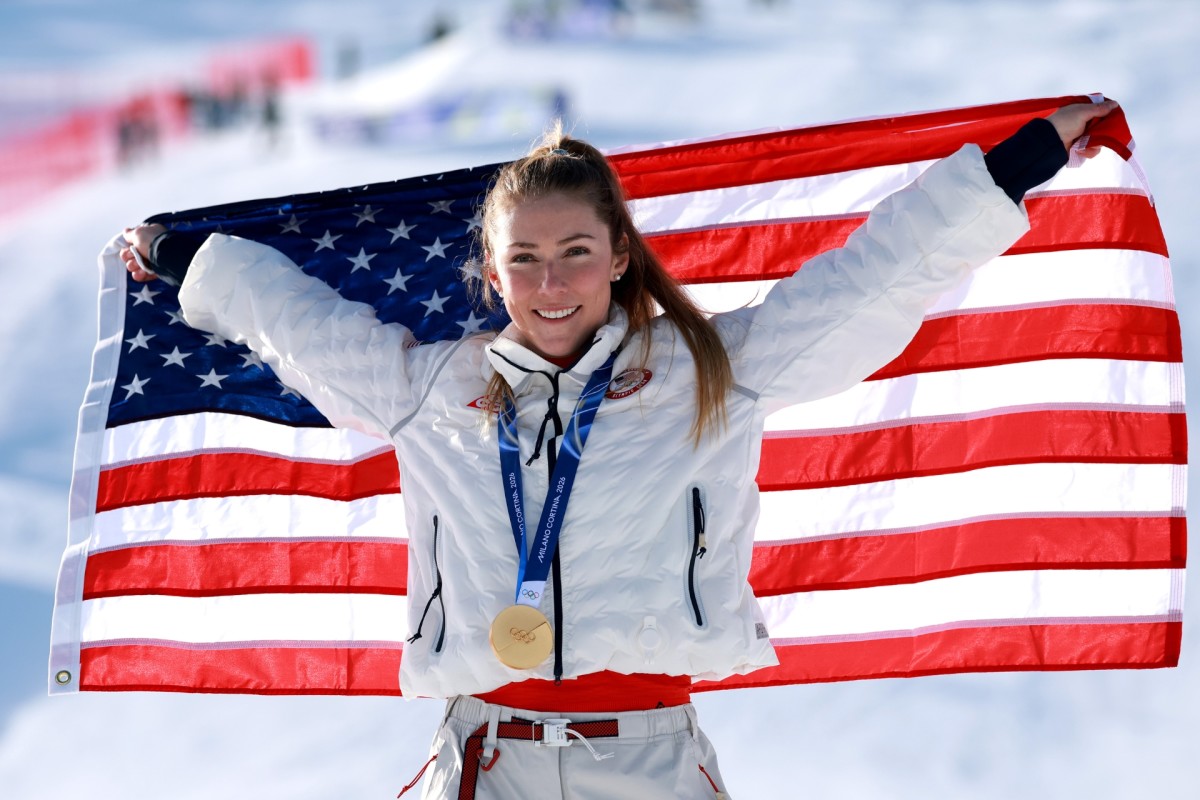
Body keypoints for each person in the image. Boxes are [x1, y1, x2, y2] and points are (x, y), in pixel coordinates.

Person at [121, 100, 1115, 799]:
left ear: (619, 255)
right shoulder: (428, 385)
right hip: (482, 759)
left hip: (648, 765)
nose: (552, 284)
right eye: (525, 259)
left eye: (576, 253)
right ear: (492, 269)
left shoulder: (716, 371)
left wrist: (1019, 161)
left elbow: (872, 280)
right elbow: (293, 319)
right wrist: (178, 257)